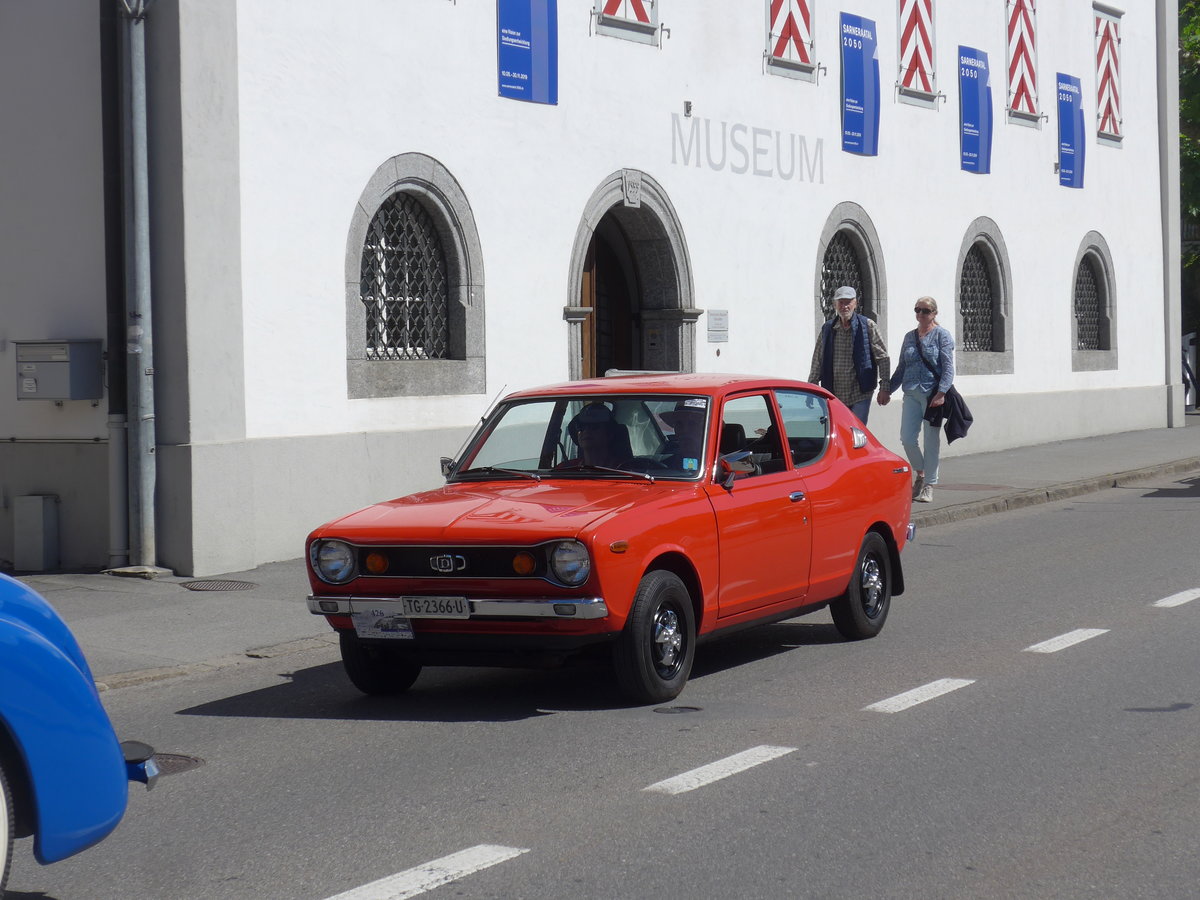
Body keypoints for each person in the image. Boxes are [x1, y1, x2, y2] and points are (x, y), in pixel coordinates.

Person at [885, 296, 955, 503]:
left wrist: (941, 393)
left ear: (934, 313)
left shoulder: (942, 335)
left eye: (925, 310)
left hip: (932, 394)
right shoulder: (909, 336)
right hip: (911, 392)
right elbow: (901, 367)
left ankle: (929, 485)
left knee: (930, 440)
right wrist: (887, 389)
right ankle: (921, 474)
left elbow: (948, 367)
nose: (920, 314)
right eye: (917, 310)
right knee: (907, 438)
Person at [808, 285, 891, 424]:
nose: (844, 306)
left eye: (848, 302)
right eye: (841, 302)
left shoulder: (868, 326)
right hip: (834, 393)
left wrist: (885, 387)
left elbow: (882, 358)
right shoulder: (828, 328)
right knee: (839, 432)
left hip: (860, 392)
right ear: (834, 304)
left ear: (855, 304)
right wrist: (812, 386)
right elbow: (818, 359)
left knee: (856, 432)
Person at [562, 403, 632, 468]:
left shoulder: (626, 470)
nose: (586, 431)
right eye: (581, 426)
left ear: (609, 434)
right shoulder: (564, 469)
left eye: (593, 426)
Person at [659, 401, 708, 473]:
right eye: (679, 424)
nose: (685, 430)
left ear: (707, 428)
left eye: (693, 424)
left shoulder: (720, 465)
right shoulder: (662, 467)